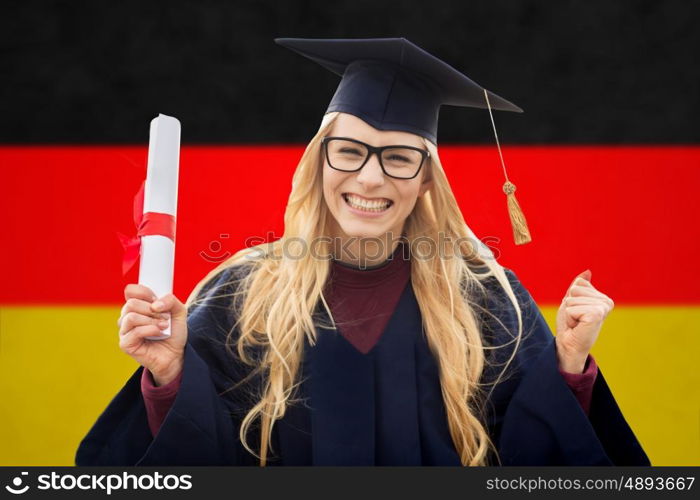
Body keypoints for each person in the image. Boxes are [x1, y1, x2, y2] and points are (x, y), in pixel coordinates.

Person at [75, 38, 650, 466]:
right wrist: (172, 375)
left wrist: (569, 365)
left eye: (398, 157)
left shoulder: (488, 301)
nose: (371, 179)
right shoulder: (241, 296)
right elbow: (195, 461)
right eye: (349, 151)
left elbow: (532, 460)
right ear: (319, 161)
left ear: (426, 179)